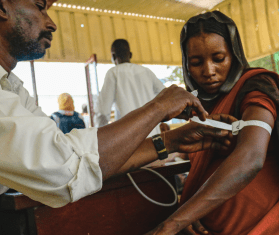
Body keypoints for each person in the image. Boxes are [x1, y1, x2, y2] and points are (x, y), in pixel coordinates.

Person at [0, 0, 234, 209]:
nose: (51, 24)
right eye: (40, 6)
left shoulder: (12, 87)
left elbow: (84, 143)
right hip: (130, 144)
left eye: (218, 58)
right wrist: (157, 108)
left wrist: (172, 140)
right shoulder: (142, 72)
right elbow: (65, 169)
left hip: (131, 145)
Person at [146, 11, 279, 235]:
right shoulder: (202, 109)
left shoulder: (256, 88)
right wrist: (192, 211)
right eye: (196, 62)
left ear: (235, 56)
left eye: (219, 59)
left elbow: (251, 157)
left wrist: (175, 222)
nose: (209, 71)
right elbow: (198, 156)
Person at [95, 39, 165, 137]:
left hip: (129, 138)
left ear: (113, 56)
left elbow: (103, 111)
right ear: (130, 55)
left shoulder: (113, 73)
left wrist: (99, 135)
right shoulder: (146, 72)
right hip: (153, 135)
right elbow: (165, 94)